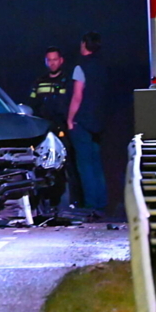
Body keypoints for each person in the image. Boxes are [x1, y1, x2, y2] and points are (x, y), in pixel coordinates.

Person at [28, 46, 81, 207]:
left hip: (64, 129)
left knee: (69, 166)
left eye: (55, 59)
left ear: (61, 60)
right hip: (43, 130)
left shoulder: (67, 81)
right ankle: (42, 201)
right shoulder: (39, 81)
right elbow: (32, 104)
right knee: (41, 166)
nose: (52, 63)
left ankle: (74, 201)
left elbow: (74, 101)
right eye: (49, 60)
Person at [66, 32, 109, 218]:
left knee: (84, 165)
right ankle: (102, 202)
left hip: (82, 120)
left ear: (84, 44)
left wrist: (70, 119)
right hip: (99, 120)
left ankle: (91, 204)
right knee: (96, 163)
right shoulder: (102, 66)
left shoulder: (80, 67)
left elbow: (77, 96)